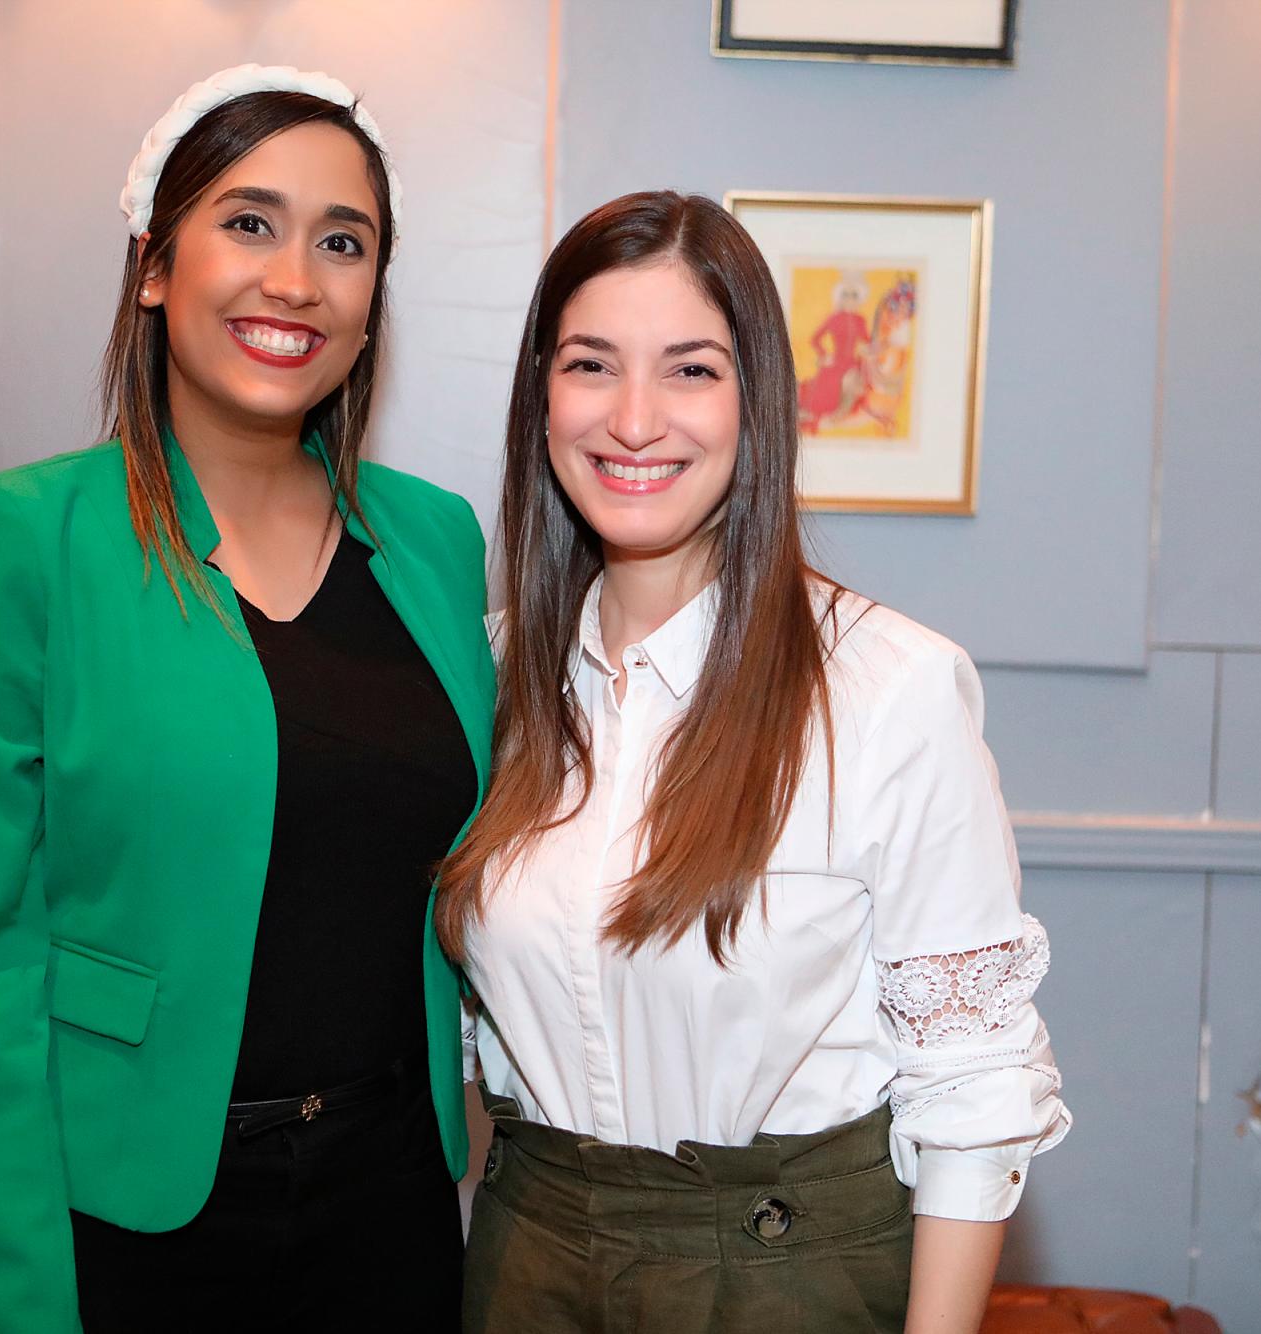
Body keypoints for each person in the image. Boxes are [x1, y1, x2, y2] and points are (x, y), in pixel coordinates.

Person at [0, 65, 493, 1332]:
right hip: (129, 1214)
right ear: (155, 264)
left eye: (343, 242)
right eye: (247, 222)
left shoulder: (437, 543)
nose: (295, 279)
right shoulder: (19, 538)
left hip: (391, 1203)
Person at [438, 191, 1070, 1333]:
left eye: (689, 369)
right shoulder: (486, 683)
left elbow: (972, 1087)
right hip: (527, 1258)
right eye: (590, 364)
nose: (634, 419)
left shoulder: (886, 687)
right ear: (541, 397)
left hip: (789, 1277)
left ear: (755, 405)